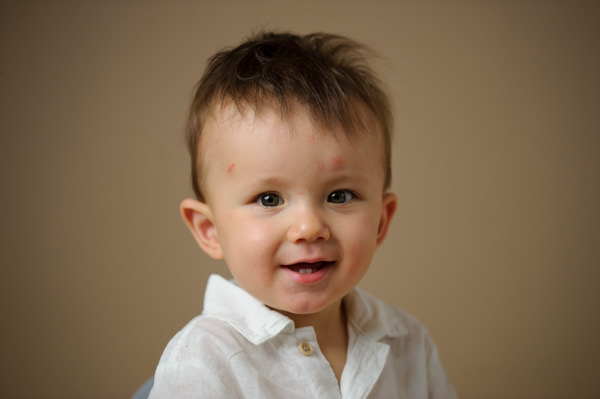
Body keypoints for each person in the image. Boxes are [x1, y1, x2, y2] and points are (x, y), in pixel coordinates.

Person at [149, 31, 457, 398]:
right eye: (268, 199)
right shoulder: (201, 363)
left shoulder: (407, 343)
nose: (309, 228)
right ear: (210, 230)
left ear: (381, 221)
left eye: (339, 195)